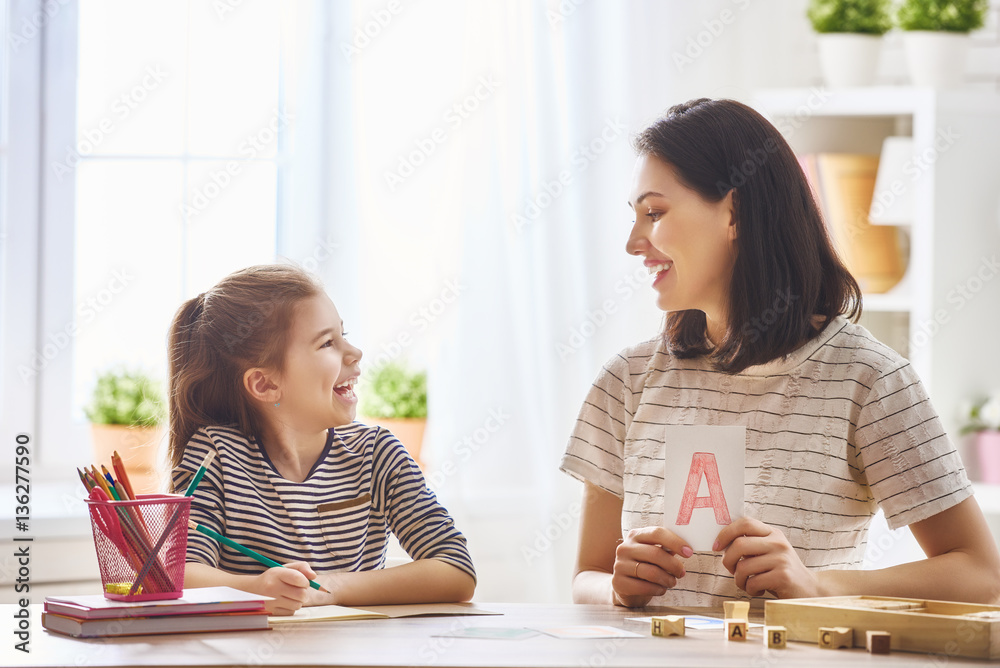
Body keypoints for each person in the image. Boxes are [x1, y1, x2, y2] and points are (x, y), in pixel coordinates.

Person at [561, 98, 1000, 608]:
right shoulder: (628, 379)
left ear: (735, 212)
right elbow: (585, 577)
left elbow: (983, 578)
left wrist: (818, 584)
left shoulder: (868, 379)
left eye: (655, 213)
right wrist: (614, 588)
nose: (634, 242)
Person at [168, 264, 476, 615]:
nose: (355, 352)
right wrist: (255, 589)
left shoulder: (376, 454)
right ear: (265, 384)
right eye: (328, 343)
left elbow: (456, 569)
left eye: (344, 335)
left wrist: (331, 587)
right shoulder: (217, 455)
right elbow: (183, 576)